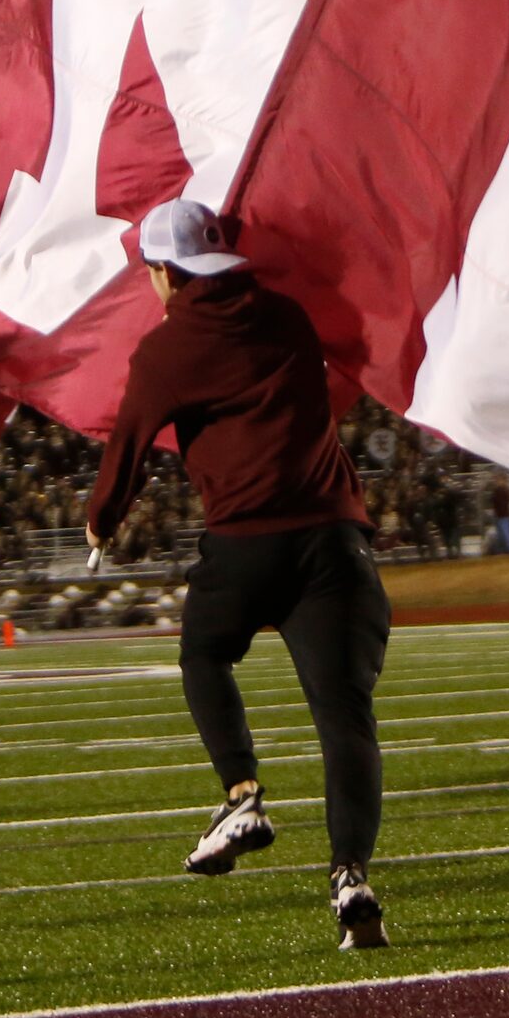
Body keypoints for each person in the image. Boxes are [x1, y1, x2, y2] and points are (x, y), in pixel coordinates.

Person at [86, 197, 392, 952]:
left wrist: (102, 518)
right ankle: (350, 874)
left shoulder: (168, 349)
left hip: (246, 542)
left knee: (204, 654)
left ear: (166, 272)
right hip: (332, 538)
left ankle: (242, 792)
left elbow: (126, 447)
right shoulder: (286, 317)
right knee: (343, 717)